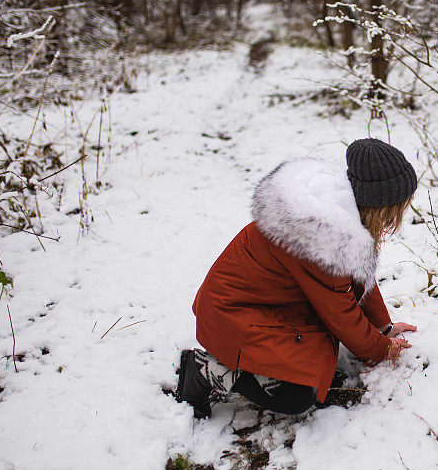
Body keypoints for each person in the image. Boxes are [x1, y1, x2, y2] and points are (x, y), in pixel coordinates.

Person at [175, 139, 419, 418]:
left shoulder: (338, 211)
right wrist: (383, 350)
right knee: (294, 397)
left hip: (269, 306)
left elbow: (357, 275)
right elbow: (342, 314)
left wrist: (383, 326)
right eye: (398, 207)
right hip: (233, 314)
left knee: (318, 370)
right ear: (380, 206)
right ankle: (203, 371)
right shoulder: (323, 237)